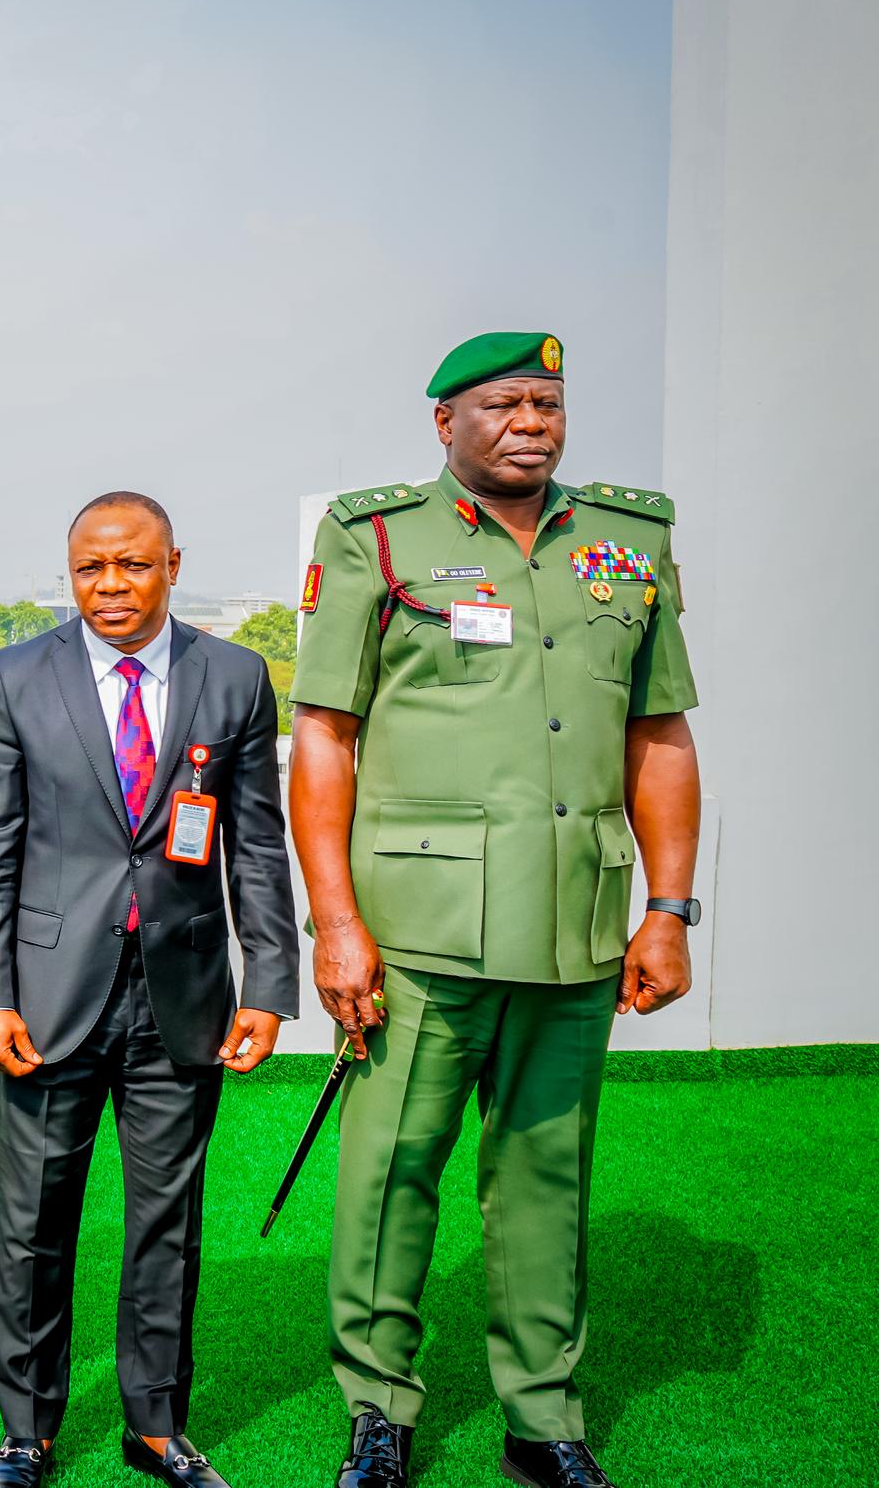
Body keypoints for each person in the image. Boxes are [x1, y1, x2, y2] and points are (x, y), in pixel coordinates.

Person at [289, 333, 702, 1488]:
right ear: (445, 424)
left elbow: (658, 734)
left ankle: (543, 1417)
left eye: (548, 400)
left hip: (574, 927)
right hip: (417, 929)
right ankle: (378, 1409)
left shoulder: (630, 543)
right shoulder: (375, 536)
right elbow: (324, 733)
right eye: (504, 402)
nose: (531, 419)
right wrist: (335, 922)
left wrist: (666, 908)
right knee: (390, 1174)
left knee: (546, 1177)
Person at [0, 492, 297, 1488]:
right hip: (49, 993)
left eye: (133, 566)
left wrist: (267, 981)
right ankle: (25, 1428)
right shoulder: (15, 676)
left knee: (166, 1219)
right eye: (90, 568)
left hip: (182, 992)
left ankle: (155, 1423)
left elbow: (257, 845)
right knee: (33, 1221)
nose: (111, 585)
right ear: (70, 573)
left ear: (171, 563)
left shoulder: (233, 676)